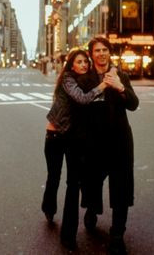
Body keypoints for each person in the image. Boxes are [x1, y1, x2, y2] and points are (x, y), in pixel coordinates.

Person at [78, 36, 139, 255]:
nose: (101, 54)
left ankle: (117, 234)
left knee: (121, 188)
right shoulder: (85, 79)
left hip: (120, 141)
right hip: (94, 143)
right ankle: (92, 211)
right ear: (91, 54)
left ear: (109, 53)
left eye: (105, 50)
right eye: (97, 50)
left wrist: (121, 88)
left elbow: (133, 104)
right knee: (92, 183)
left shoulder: (120, 75)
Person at [41, 48, 107, 250]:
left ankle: (68, 234)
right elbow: (82, 98)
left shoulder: (84, 79)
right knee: (54, 177)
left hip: (71, 138)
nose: (84, 65)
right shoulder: (68, 79)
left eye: (85, 62)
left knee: (73, 184)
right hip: (54, 136)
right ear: (71, 65)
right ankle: (49, 207)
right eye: (79, 62)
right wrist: (103, 85)